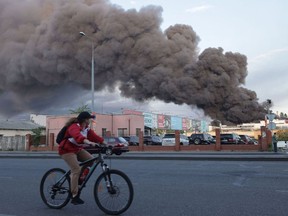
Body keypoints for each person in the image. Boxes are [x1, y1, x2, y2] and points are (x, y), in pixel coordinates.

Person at [58, 111, 104, 205]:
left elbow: (95, 137)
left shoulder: (86, 129)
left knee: (91, 160)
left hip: (77, 149)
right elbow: (77, 136)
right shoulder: (74, 126)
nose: (90, 121)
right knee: (76, 169)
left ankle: (78, 178)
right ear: (84, 120)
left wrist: (107, 144)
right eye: (88, 119)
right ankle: (74, 195)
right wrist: (88, 142)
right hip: (66, 150)